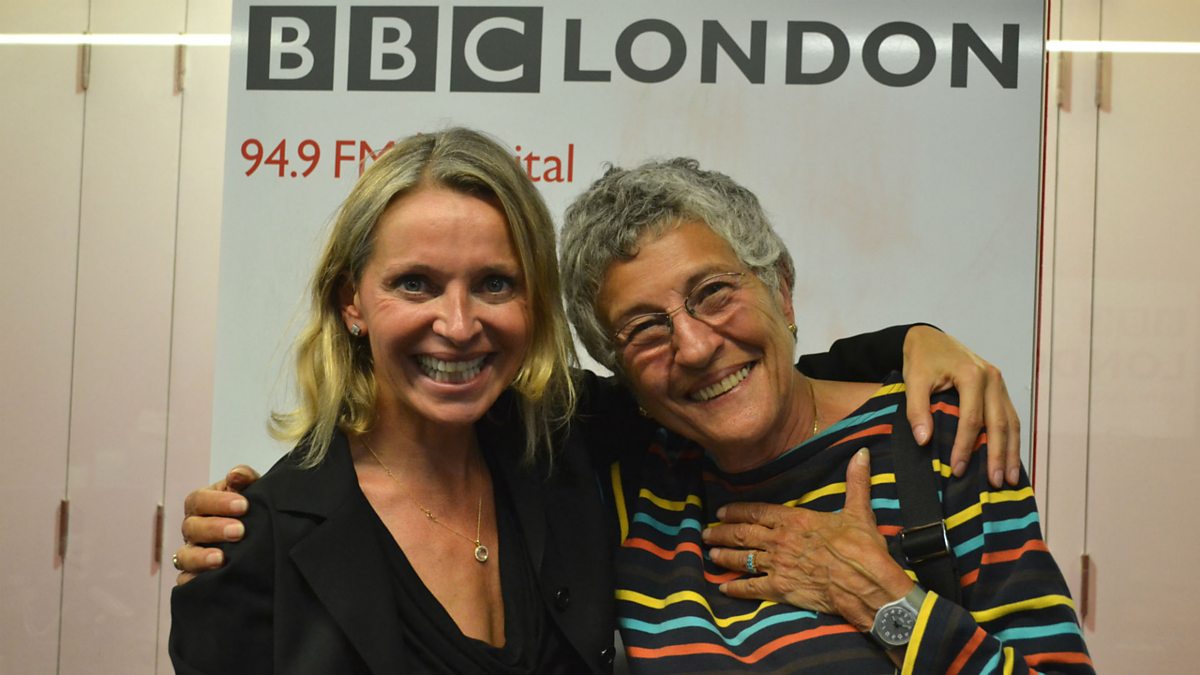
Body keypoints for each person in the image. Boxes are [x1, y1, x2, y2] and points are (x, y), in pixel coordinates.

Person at [171, 129, 1024, 673]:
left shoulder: (569, 451)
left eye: (495, 283)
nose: (458, 323)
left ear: (531, 306)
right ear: (351, 302)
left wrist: (915, 342)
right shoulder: (262, 544)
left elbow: (729, 374)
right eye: (416, 283)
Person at [556, 157, 1092, 672]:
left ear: (781, 292)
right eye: (646, 328)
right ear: (619, 371)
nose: (694, 348)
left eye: (714, 292)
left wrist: (883, 603)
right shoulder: (627, 483)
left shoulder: (938, 437)